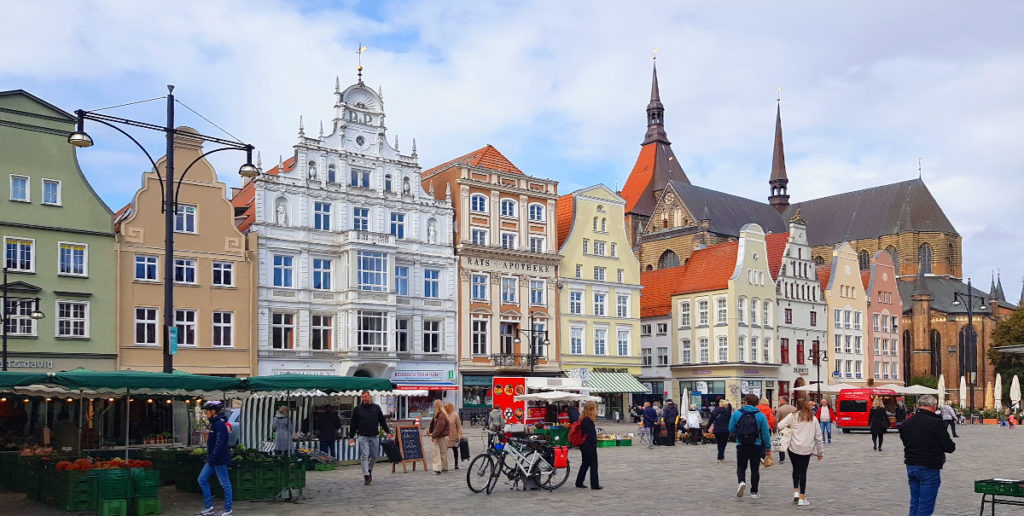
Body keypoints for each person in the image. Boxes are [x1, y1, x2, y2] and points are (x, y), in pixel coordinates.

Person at [900, 394, 956, 516]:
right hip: (929, 466)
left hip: (911, 465)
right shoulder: (936, 423)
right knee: (926, 505)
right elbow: (949, 447)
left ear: (919, 405)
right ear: (933, 406)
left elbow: (905, 442)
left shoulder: (906, 423)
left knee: (915, 502)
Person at [776, 399, 824, 506]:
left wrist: (789, 427)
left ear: (797, 405)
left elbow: (779, 426)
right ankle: (802, 497)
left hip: (793, 448)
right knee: (803, 472)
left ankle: (796, 491)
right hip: (806, 449)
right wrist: (820, 452)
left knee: (795, 469)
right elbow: (818, 437)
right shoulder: (813, 418)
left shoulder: (792, 416)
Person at [728, 394, 771, 499]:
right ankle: (754, 492)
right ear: (757, 403)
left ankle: (741, 481)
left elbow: (731, 428)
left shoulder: (737, 413)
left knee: (741, 466)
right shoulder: (760, 415)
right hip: (756, 444)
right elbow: (765, 433)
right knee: (755, 468)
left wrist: (739, 433)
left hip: (741, 444)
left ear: (745, 402)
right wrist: (768, 447)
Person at [196, 401, 232, 516]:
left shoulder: (219, 424)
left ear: (214, 411)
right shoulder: (215, 424)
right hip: (212, 459)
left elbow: (219, 444)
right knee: (202, 480)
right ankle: (208, 506)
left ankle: (228, 509)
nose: (206, 413)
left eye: (207, 410)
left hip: (218, 459)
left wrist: (212, 458)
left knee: (225, 484)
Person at [348, 391, 390, 485]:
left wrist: (388, 432)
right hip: (362, 436)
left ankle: (369, 470)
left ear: (370, 397)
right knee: (365, 456)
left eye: (366, 397)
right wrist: (351, 437)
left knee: (374, 456)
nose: (364, 399)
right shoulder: (357, 409)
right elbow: (353, 424)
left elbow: (382, 421)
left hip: (374, 436)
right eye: (363, 397)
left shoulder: (376, 408)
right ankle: (366, 475)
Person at [574, 400, 602, 490]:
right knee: (594, 464)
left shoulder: (583, 418)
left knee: (585, 463)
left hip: (584, 444)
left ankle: (579, 482)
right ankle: (595, 484)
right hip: (589, 445)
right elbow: (590, 435)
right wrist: (594, 443)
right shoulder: (588, 420)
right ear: (592, 409)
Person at [428, 399, 451, 474]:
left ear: (436, 406)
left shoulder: (441, 415)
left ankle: (437, 469)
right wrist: (430, 431)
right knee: (443, 453)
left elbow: (439, 427)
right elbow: (432, 424)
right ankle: (444, 467)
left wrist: (433, 435)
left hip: (441, 436)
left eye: (434, 405)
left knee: (437, 453)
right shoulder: (438, 414)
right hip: (442, 436)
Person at [774, 397, 798, 464]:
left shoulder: (780, 409)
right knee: (792, 443)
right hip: (792, 428)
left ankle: (782, 459)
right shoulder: (794, 408)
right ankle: (793, 457)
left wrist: (775, 427)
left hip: (782, 428)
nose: (779, 401)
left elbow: (776, 420)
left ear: (784, 401)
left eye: (780, 400)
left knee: (782, 443)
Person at [445, 402, 464, 470]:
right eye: (444, 407)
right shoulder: (443, 414)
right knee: (443, 451)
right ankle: (444, 465)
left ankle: (456, 464)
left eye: (446, 407)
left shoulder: (455, 415)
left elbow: (459, 426)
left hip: (453, 436)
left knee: (455, 450)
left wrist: (461, 434)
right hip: (445, 436)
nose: (445, 408)